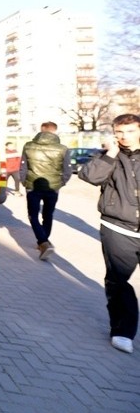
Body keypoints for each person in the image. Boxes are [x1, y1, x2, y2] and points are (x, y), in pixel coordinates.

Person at [78, 113, 140, 354]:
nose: (124, 137)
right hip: (118, 228)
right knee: (118, 281)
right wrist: (111, 153)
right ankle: (123, 331)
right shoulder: (108, 158)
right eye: (119, 132)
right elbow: (89, 176)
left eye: (130, 131)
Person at [19, 127, 71, 260]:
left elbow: (23, 166)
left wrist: (25, 182)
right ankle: (44, 242)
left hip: (32, 187)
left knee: (33, 215)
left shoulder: (28, 146)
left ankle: (43, 242)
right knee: (48, 215)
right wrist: (60, 183)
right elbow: (67, 170)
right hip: (53, 188)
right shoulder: (63, 149)